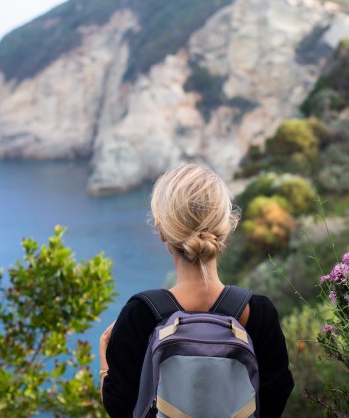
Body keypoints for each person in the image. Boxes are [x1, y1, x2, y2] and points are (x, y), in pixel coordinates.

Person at [99, 163, 294, 417]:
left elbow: (119, 406)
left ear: (162, 233)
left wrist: (105, 356)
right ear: (225, 230)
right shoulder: (258, 313)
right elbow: (274, 401)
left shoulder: (141, 314)